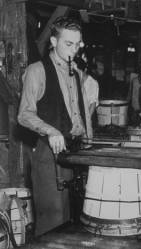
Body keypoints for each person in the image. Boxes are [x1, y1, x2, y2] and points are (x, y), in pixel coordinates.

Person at [18, 16, 93, 235]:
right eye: (67, 44)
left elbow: (82, 114)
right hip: (49, 155)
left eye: (77, 44)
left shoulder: (77, 73)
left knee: (75, 219)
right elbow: (24, 114)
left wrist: (89, 146)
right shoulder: (37, 71)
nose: (74, 50)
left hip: (75, 154)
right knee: (53, 220)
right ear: (53, 41)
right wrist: (51, 130)